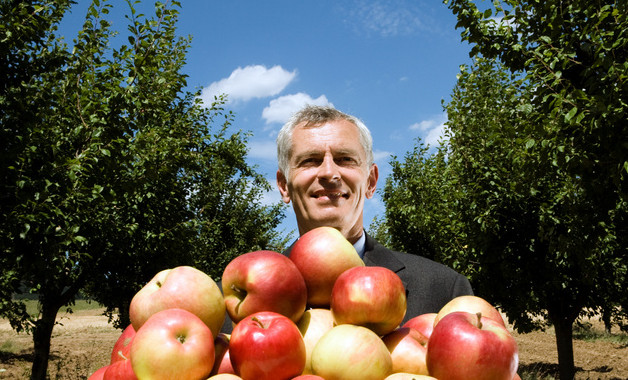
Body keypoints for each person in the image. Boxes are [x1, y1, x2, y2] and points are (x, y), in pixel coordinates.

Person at [276, 105, 473, 323]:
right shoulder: (236, 304)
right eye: (310, 160)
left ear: (371, 182)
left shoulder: (444, 292)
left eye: (345, 159)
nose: (329, 173)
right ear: (284, 185)